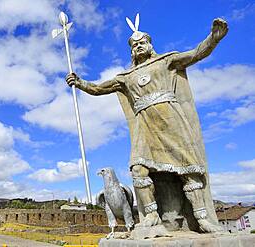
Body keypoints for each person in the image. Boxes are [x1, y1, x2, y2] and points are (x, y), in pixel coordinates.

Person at [66, 18, 228, 232]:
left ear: (150, 45)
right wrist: (81, 83)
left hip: (172, 120)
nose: (138, 46)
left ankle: (202, 219)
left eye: (142, 42)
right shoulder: (126, 77)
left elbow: (196, 53)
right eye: (134, 45)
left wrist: (213, 39)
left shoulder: (166, 61)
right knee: (139, 169)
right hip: (144, 125)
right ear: (131, 51)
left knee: (188, 170)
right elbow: (99, 89)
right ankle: (151, 217)